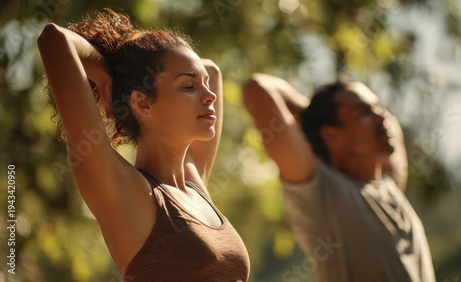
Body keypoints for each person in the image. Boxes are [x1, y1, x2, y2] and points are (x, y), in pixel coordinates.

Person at [38, 9, 250, 281]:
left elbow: (212, 70)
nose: (209, 96)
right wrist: (108, 79)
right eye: (188, 86)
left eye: (204, 86)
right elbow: (55, 40)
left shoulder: (195, 186)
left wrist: (134, 70)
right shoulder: (126, 191)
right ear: (142, 102)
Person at [243, 74, 435, 282]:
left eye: (378, 107)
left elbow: (393, 127)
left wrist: (326, 122)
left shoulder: (390, 183)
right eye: (363, 113)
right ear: (331, 136)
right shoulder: (320, 193)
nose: (382, 118)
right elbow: (258, 89)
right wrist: (314, 121)